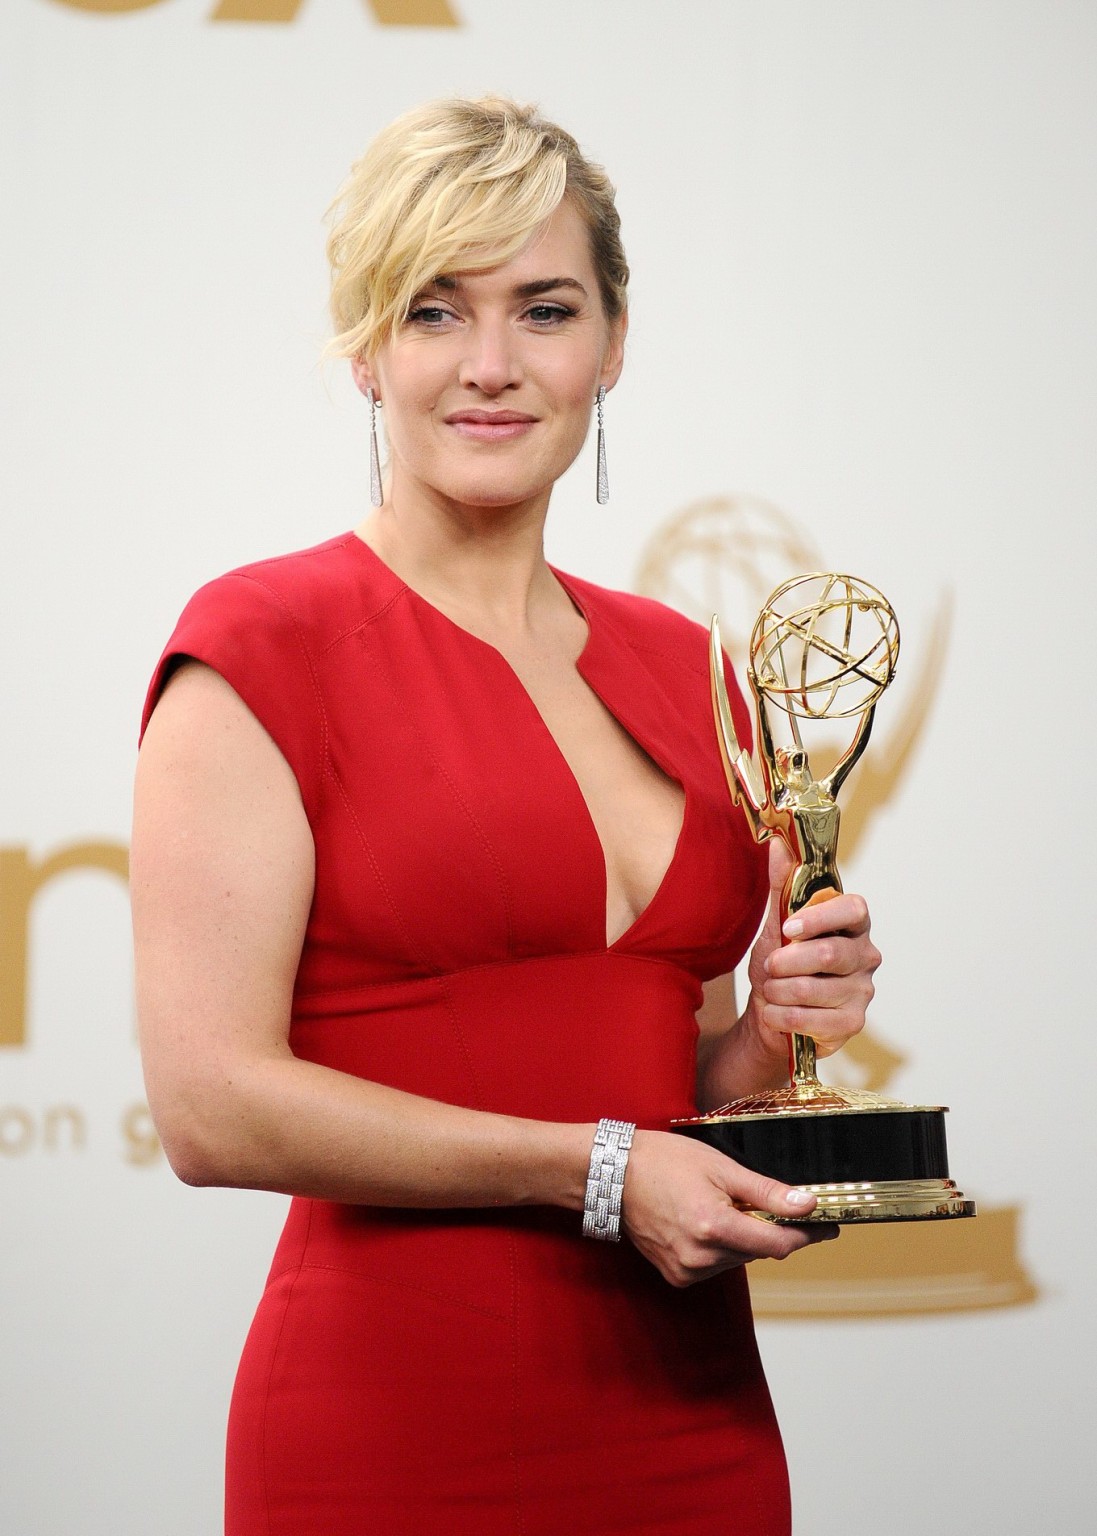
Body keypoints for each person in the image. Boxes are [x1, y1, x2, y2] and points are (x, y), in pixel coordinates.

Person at [131, 97, 880, 1536]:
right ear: (366, 348)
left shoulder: (690, 667)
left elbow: (678, 1087)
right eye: (432, 311)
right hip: (391, 1424)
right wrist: (595, 1172)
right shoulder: (262, 643)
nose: (490, 366)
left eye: (543, 309)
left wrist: (783, 1025)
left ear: (609, 345)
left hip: (691, 1419)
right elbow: (210, 1108)